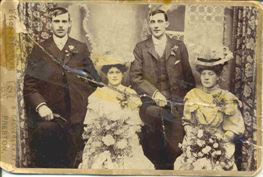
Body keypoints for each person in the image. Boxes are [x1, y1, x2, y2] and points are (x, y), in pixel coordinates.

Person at [23, 7, 100, 168]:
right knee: (49, 156)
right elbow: (30, 84)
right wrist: (41, 106)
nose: (60, 25)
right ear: (50, 24)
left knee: (74, 160)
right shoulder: (40, 48)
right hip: (51, 115)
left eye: (64, 21)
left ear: (69, 24)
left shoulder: (80, 48)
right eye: (56, 21)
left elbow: (95, 80)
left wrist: (82, 97)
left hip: (77, 116)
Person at [129, 9, 196, 169]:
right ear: (148, 25)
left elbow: (188, 78)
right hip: (150, 102)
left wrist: (187, 100)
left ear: (167, 24)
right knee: (153, 141)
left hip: (176, 103)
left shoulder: (178, 46)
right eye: (153, 22)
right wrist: (154, 93)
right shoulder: (141, 48)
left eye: (160, 21)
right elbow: (135, 77)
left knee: (176, 147)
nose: (156, 25)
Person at [173, 46, 245, 170]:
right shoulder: (193, 95)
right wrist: (194, 139)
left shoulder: (227, 98)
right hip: (195, 143)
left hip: (220, 145)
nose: (206, 77)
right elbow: (187, 122)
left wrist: (216, 143)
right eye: (203, 74)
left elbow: (234, 128)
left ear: (218, 76)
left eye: (210, 74)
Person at [79, 59, 154, 169]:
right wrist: (103, 135)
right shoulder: (98, 94)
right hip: (101, 137)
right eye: (111, 72)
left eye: (117, 72)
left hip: (126, 136)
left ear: (123, 74)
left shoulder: (130, 94)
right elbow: (91, 123)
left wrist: (121, 135)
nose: (114, 76)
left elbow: (135, 123)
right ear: (107, 75)